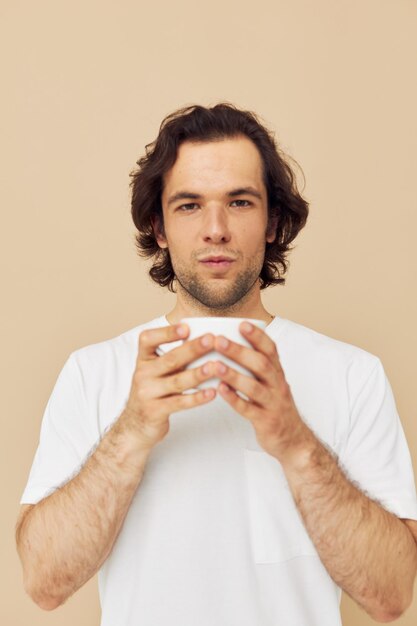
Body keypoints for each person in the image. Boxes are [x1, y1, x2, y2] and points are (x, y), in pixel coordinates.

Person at [16, 103, 417, 626]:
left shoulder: (352, 375)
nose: (216, 229)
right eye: (188, 205)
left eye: (240, 201)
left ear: (273, 222)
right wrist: (131, 431)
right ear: (158, 227)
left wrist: (296, 445)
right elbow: (44, 584)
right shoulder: (93, 372)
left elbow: (392, 596)